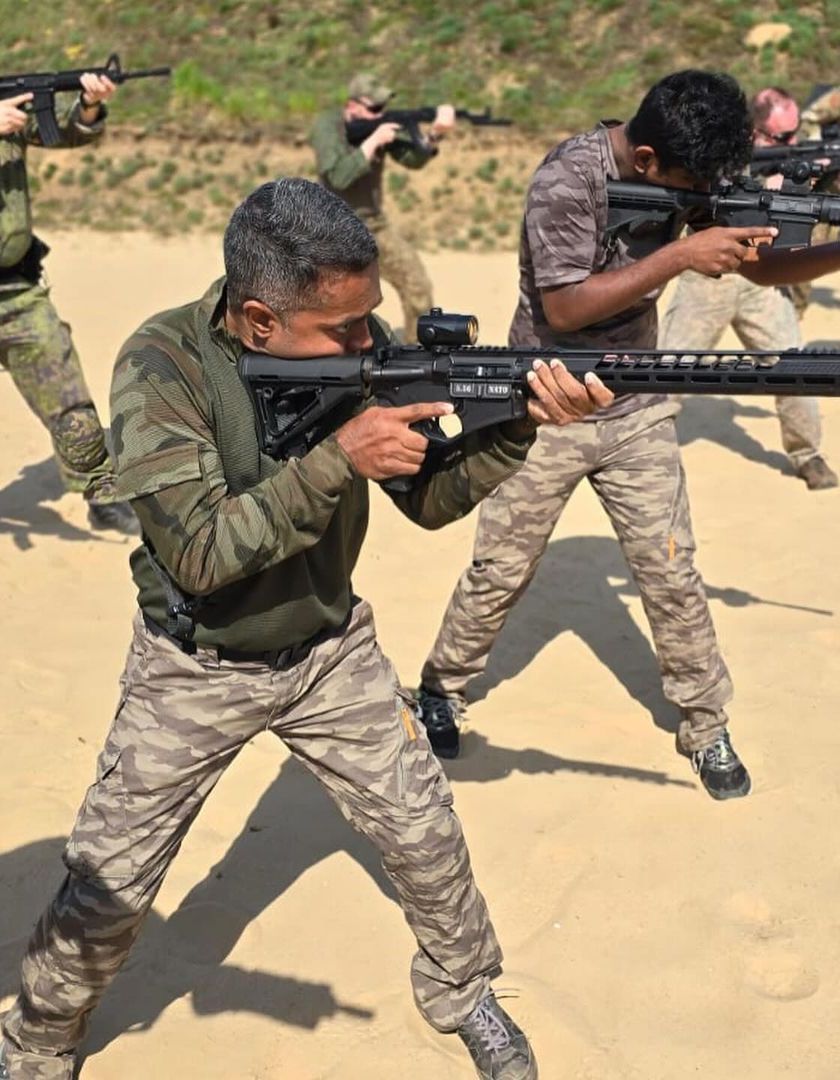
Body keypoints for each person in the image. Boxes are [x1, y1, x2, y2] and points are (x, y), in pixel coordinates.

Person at [0, 177, 613, 1080]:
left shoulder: (363, 346)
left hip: (330, 651)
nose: (370, 342)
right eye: (344, 329)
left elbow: (431, 500)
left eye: (370, 320)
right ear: (259, 321)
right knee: (110, 885)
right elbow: (200, 554)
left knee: (426, 835)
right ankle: (37, 1043)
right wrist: (338, 460)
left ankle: (463, 991)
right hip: (194, 667)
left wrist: (515, 424)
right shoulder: (163, 367)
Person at [415, 70, 840, 800]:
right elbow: (564, 306)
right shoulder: (567, 181)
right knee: (500, 568)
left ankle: (705, 723)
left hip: (636, 405)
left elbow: (764, 269)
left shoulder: (683, 169)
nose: (698, 195)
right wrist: (679, 256)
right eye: (688, 184)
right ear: (646, 161)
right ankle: (440, 689)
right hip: (545, 404)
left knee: (672, 571)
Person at [658, 86, 838, 490]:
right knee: (668, 368)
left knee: (792, 366)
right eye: (781, 137)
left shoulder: (791, 157)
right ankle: (638, 442)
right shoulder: (719, 157)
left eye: (795, 134)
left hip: (764, 282)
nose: (791, 143)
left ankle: (808, 454)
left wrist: (815, 178)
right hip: (711, 278)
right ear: (754, 131)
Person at [0, 72, 137, 533]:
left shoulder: (8, 107)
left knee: (67, 392)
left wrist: (89, 105)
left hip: (15, 292)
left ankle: (102, 492)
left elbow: (63, 129)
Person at [310, 72, 454, 340]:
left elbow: (412, 159)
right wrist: (373, 142)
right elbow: (338, 176)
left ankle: (417, 354)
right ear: (352, 105)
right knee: (331, 303)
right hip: (331, 231)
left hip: (373, 226)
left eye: (383, 108)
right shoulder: (328, 126)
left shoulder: (379, 124)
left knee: (417, 287)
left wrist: (434, 135)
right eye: (374, 108)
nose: (380, 114)